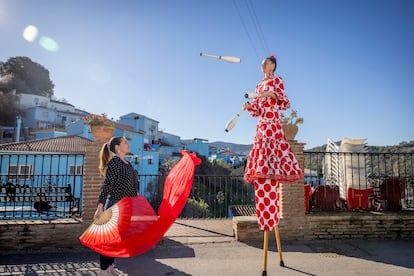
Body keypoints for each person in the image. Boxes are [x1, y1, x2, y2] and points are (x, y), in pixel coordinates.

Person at [243, 55, 303, 231]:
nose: (263, 65)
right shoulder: (258, 85)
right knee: (263, 158)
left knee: (273, 152)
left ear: (273, 65)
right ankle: (265, 210)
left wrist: (270, 94)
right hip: (262, 125)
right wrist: (249, 107)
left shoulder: (277, 80)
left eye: (266, 62)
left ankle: (275, 170)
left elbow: (282, 99)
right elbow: (257, 108)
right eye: (262, 63)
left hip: (273, 124)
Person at [94, 136, 139, 276]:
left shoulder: (128, 164)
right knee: (108, 240)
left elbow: (132, 188)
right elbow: (107, 186)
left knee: (116, 240)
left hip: (125, 206)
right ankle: (103, 270)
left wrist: (135, 205)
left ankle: (110, 266)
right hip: (114, 205)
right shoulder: (114, 163)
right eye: (125, 142)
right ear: (117, 147)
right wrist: (100, 206)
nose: (128, 144)